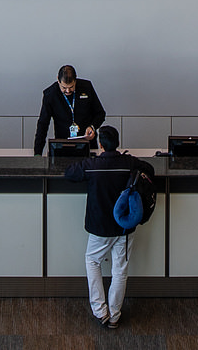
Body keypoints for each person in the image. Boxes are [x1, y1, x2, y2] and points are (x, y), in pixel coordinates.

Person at [63, 125, 154, 328]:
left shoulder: (92, 165)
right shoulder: (129, 163)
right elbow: (149, 169)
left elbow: (69, 173)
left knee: (93, 261)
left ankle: (99, 310)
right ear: (118, 143)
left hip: (100, 226)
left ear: (100, 144)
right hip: (124, 226)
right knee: (120, 269)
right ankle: (114, 314)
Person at [34, 64, 106, 156]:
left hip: (87, 144)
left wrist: (92, 127)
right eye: (64, 88)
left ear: (76, 79)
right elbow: (42, 125)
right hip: (62, 144)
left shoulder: (86, 87)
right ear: (58, 80)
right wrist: (37, 153)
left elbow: (100, 114)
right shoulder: (50, 95)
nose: (68, 91)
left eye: (71, 87)